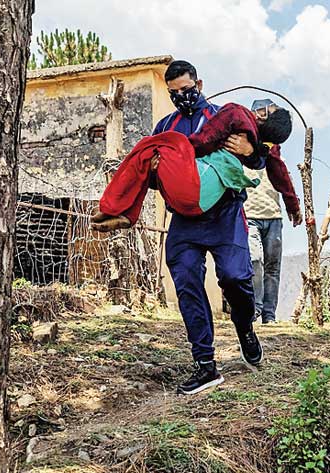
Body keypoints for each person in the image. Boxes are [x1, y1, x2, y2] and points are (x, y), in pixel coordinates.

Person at [114, 60, 264, 395]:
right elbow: (151, 177)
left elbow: (259, 159)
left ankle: (245, 327)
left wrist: (250, 150)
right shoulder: (165, 127)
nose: (182, 96)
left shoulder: (224, 116)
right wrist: (154, 171)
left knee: (235, 278)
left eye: (187, 89)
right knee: (186, 283)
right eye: (174, 93)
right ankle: (205, 365)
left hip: (226, 213)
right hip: (184, 218)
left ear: (199, 84)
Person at [92, 102, 293, 227]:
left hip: (193, 186)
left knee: (151, 145)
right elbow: (279, 172)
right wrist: (293, 205)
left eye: (269, 109)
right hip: (204, 202)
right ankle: (125, 214)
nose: (262, 108)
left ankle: (114, 207)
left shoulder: (238, 113)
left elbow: (202, 141)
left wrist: (178, 152)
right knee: (152, 158)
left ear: (264, 116)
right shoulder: (266, 146)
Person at [244, 99, 303, 324]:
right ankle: (255, 309)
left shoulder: (273, 149)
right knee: (255, 261)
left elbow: (283, 178)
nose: (263, 116)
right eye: (260, 112)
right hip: (248, 215)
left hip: (273, 216)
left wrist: (293, 206)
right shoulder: (241, 142)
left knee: (272, 267)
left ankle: (269, 315)